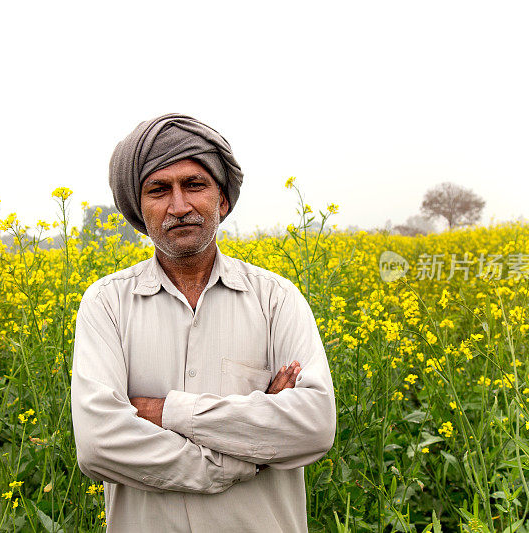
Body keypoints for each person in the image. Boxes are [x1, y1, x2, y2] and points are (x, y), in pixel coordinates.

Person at [70, 113, 336, 532]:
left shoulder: (277, 299)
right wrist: (237, 458)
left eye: (194, 185)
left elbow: (314, 426)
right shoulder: (107, 304)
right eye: (158, 190)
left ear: (222, 200)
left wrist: (164, 412)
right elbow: (99, 445)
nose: (179, 206)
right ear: (139, 210)